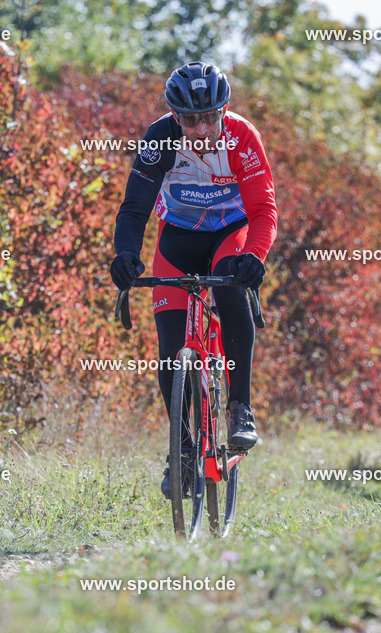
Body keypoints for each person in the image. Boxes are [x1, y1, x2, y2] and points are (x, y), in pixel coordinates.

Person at [110, 61, 277, 498]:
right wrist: (125, 254)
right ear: (174, 117)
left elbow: (263, 211)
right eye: (189, 120)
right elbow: (134, 209)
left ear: (224, 112)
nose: (200, 130)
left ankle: (240, 406)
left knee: (229, 282)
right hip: (177, 239)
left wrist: (254, 258)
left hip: (230, 231)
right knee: (169, 348)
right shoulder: (160, 137)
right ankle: (182, 451)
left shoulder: (242, 137)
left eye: (208, 118)